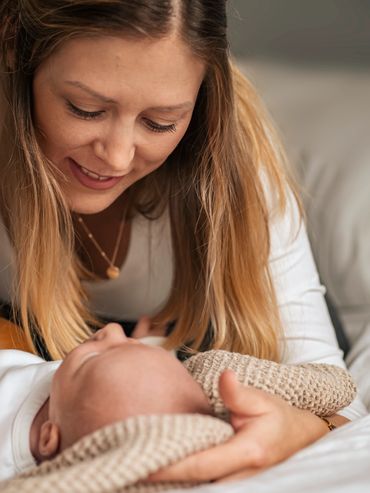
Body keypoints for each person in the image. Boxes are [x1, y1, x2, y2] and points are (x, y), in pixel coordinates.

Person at [0, 0, 367, 483]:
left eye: (159, 122)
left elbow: (337, 400)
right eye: (85, 109)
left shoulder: (234, 176)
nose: (116, 155)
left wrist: (294, 431)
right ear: (14, 52)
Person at [0, 322, 356, 483]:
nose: (109, 330)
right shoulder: (88, 393)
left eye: (91, 359)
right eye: (127, 345)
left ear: (50, 438)